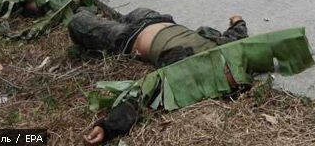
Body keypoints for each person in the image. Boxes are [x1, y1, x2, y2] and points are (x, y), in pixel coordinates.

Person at [70, 9, 247, 145]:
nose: (231, 73)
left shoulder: (186, 69)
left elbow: (147, 92)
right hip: (159, 19)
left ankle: (80, 3)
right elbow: (237, 35)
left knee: (78, 22)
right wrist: (238, 21)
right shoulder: (229, 50)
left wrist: (107, 127)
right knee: (133, 12)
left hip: (128, 38)